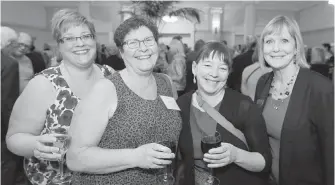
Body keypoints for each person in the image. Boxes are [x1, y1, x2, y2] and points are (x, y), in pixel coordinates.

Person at [66, 16, 182, 185]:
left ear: (157, 45)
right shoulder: (106, 89)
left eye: (148, 40)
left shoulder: (166, 82)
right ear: (121, 51)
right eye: (133, 43)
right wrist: (135, 157)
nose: (143, 48)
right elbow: (75, 157)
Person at [6, 9, 114, 185]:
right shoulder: (44, 83)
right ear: (59, 45)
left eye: (86, 36)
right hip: (57, 179)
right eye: (70, 38)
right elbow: (14, 138)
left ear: (94, 40)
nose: (80, 43)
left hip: (107, 177)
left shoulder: (111, 76)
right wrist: (36, 145)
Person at [176, 41, 272, 185]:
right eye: (207, 65)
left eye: (222, 68)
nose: (214, 74)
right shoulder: (181, 105)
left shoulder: (244, 106)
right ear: (195, 68)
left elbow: (264, 162)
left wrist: (236, 155)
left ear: (228, 73)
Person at [255, 15, 333, 185]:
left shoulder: (320, 88)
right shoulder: (263, 83)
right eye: (269, 41)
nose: (276, 48)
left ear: (296, 46)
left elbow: (331, 152)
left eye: (284, 40)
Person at [1, 26, 21, 185]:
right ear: (8, 43)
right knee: (6, 163)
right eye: (14, 45)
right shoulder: (9, 63)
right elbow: (7, 99)